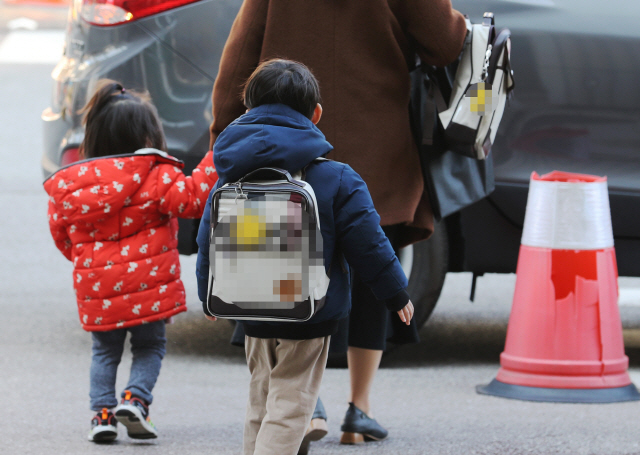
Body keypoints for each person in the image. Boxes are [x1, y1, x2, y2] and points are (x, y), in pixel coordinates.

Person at [206, 0, 468, 449]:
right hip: (375, 138)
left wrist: (224, 135)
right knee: (369, 262)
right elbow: (446, 42)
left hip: (282, 148)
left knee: (279, 262)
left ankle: (306, 405)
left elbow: (241, 54)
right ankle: (358, 410)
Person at [195, 59, 414, 455]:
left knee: (261, 398)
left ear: (248, 110)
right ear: (315, 115)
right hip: (308, 312)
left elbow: (207, 235)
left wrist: (206, 293)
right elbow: (370, 244)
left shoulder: (229, 177)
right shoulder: (337, 178)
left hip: (249, 308)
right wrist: (396, 293)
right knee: (292, 402)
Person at [43, 80, 218, 443]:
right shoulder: (156, 173)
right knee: (150, 346)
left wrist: (88, 262)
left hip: (98, 289)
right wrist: (215, 154)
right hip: (148, 288)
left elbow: (62, 233)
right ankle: (135, 400)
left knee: (104, 352)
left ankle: (102, 416)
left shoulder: (75, 184)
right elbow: (192, 200)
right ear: (150, 136)